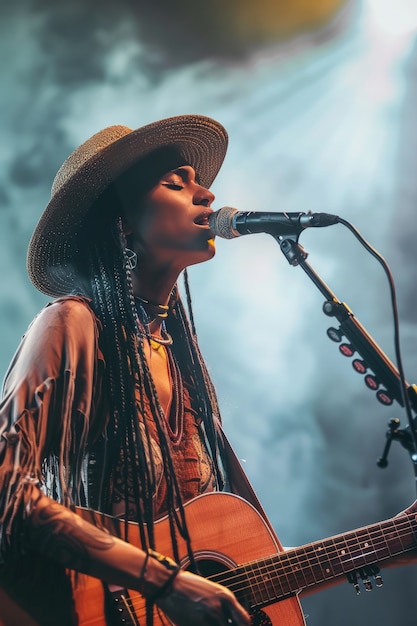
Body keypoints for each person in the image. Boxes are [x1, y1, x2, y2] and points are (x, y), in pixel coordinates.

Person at [0, 114, 415, 626]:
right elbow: (5, 491)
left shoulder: (181, 355)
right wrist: (164, 582)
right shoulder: (72, 324)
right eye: (176, 183)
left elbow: (235, 575)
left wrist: (390, 544)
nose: (207, 196)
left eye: (200, 182)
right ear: (122, 221)